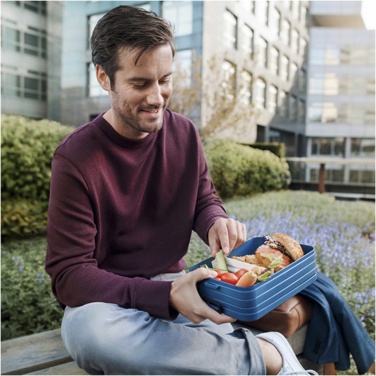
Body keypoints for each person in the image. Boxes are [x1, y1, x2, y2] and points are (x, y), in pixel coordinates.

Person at [45, 6, 318, 375]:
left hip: (174, 285)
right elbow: (69, 275)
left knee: (163, 334)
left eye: (165, 80)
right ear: (104, 77)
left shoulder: (185, 133)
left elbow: (203, 200)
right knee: (92, 335)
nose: (157, 97)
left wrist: (215, 222)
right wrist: (162, 297)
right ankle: (270, 356)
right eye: (141, 83)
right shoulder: (75, 158)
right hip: (105, 300)